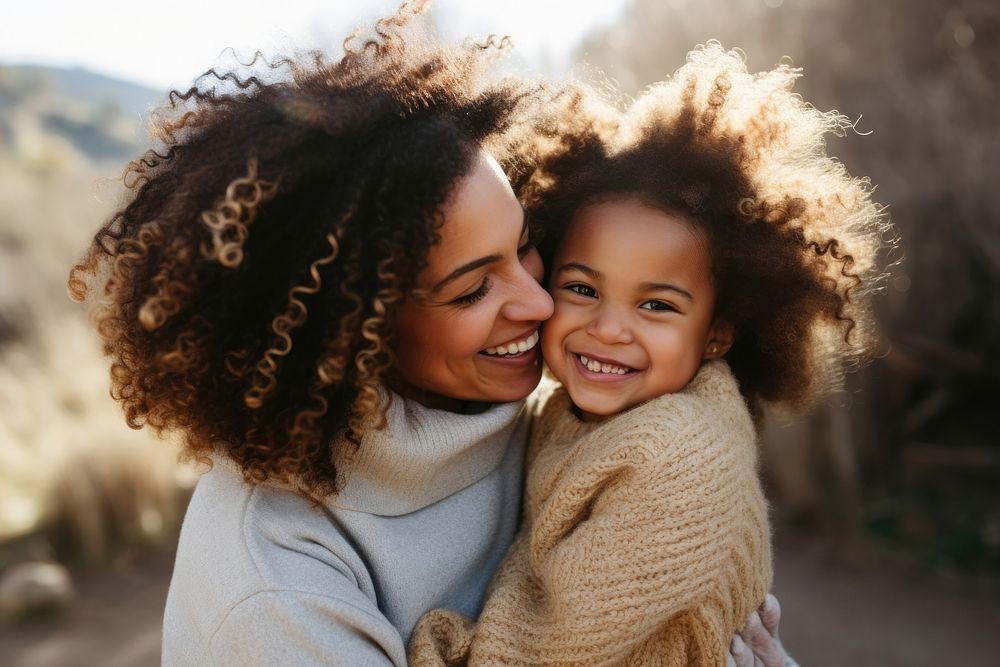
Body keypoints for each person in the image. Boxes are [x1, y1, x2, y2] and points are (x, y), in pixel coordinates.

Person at [67, 5, 790, 665]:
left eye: (528, 244)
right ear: (364, 331)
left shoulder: (569, 415)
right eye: (474, 287)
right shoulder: (277, 588)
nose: (538, 301)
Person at [409, 43, 887, 665]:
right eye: (581, 289)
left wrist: (428, 644)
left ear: (717, 333)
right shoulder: (574, 415)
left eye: (656, 305)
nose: (608, 329)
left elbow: (545, 647)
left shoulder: (680, 456)